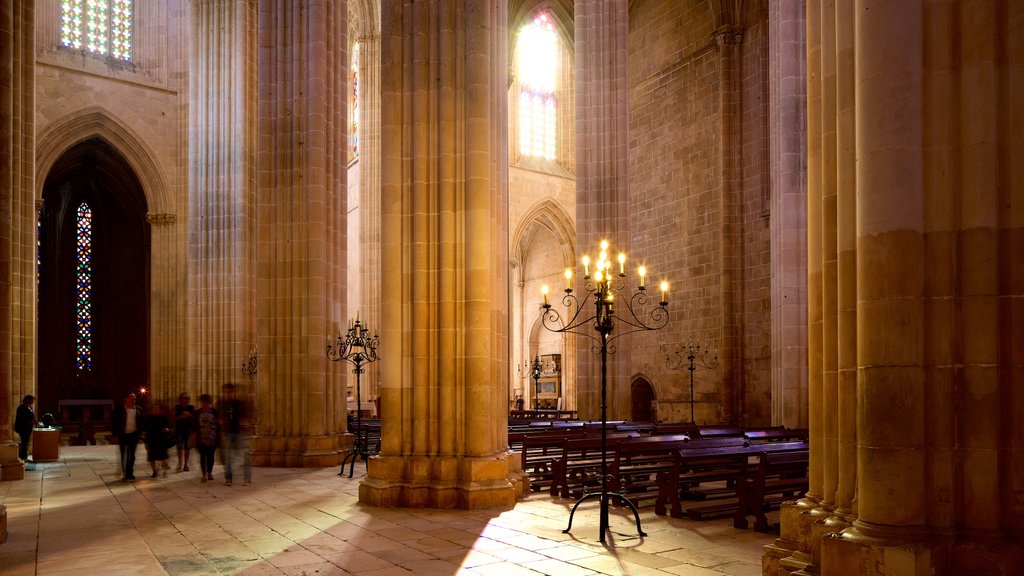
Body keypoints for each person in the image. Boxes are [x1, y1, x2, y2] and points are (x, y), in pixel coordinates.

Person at [220, 383, 251, 486]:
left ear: (233, 392)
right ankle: (228, 479)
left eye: (231, 392)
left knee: (244, 456)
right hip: (227, 432)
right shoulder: (222, 404)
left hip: (238, 432)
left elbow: (245, 416)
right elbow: (219, 417)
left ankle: (247, 479)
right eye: (227, 392)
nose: (229, 394)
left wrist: (243, 422)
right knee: (228, 457)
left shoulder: (238, 403)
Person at [111, 392, 144, 480]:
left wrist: (140, 433)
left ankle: (130, 472)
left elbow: (141, 421)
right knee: (124, 454)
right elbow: (114, 423)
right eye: (132, 398)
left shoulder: (138, 409)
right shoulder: (119, 409)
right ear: (126, 399)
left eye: (135, 398)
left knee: (132, 455)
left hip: (134, 435)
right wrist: (115, 435)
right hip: (123, 435)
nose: (134, 400)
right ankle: (125, 472)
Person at [195, 394, 219, 483]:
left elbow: (218, 423)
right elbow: (194, 425)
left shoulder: (214, 411)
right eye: (203, 402)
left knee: (210, 456)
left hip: (212, 437)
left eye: (206, 402)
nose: (205, 404)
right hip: (201, 438)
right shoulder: (198, 413)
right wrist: (193, 437)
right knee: (202, 456)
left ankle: (210, 472)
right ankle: (204, 474)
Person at [144, 404, 172, 478]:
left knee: (163, 456)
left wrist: (167, 429)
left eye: (157, 409)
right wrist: (146, 441)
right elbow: (146, 430)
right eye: (154, 409)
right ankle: (154, 471)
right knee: (152, 457)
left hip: (161, 439)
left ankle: (164, 469)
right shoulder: (148, 418)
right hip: (151, 440)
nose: (156, 410)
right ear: (152, 410)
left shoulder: (163, 418)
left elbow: (169, 427)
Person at [174, 392, 196, 472]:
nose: (185, 400)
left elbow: (195, 418)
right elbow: (173, 419)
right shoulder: (177, 407)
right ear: (180, 399)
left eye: (186, 398)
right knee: (180, 448)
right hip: (179, 431)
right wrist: (181, 416)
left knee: (187, 448)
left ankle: (186, 464)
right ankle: (180, 464)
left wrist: (189, 415)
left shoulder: (191, 407)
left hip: (188, 431)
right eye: (183, 398)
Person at [14, 395, 35, 461]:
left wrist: (34, 421)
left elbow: (31, 416)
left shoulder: (29, 407)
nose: (32, 401)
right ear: (27, 400)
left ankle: (24, 456)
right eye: (31, 400)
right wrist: (29, 422)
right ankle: (23, 457)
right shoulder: (21, 408)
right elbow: (21, 418)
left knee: (26, 442)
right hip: (23, 428)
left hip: (28, 428)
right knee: (24, 442)